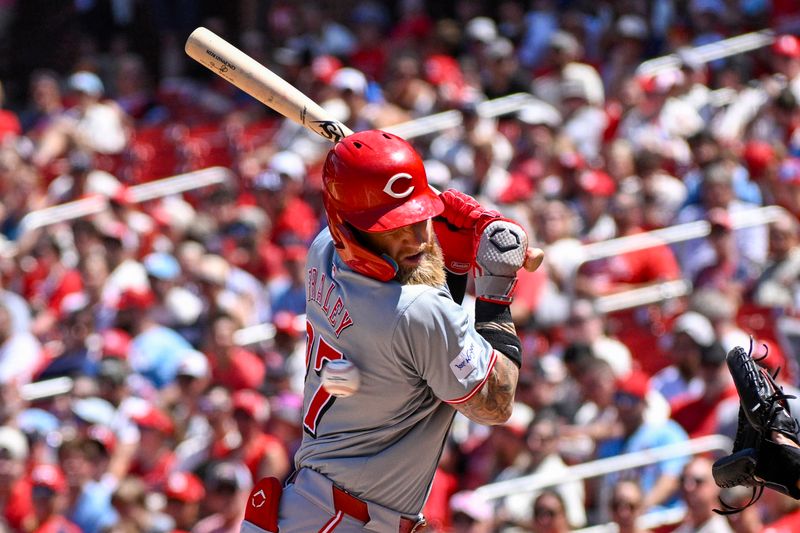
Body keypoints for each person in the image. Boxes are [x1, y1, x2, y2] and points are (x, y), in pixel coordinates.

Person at [241, 130, 542, 532]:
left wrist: (448, 262)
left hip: (321, 511)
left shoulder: (322, 251)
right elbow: (495, 401)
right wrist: (495, 288)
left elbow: (427, 338)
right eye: (393, 225)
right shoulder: (413, 312)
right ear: (349, 227)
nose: (418, 236)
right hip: (342, 520)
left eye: (420, 218)